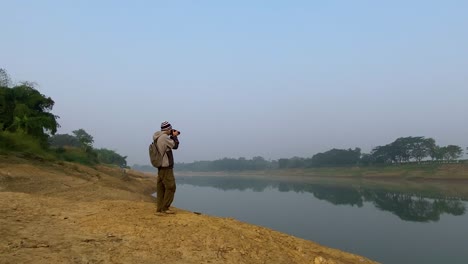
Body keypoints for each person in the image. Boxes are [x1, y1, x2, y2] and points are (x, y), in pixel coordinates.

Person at [153, 121, 180, 215]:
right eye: (170, 129)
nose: (171, 131)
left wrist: (172, 136)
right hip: (166, 166)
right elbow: (175, 146)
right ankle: (165, 208)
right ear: (168, 129)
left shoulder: (157, 137)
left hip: (160, 166)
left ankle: (160, 209)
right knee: (171, 187)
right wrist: (175, 136)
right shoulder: (164, 137)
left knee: (161, 188)